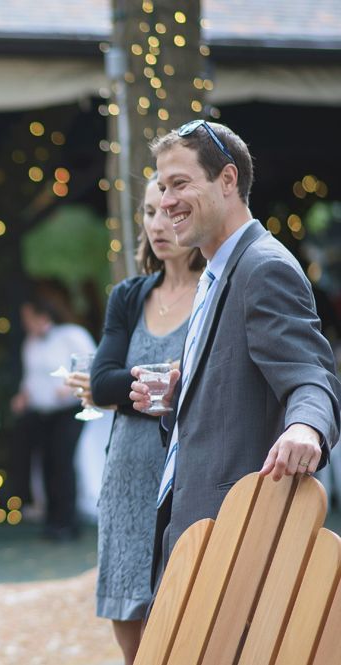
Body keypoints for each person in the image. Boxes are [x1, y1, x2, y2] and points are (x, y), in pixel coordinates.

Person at [129, 121, 341, 583]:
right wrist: (177, 395)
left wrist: (305, 428)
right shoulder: (216, 271)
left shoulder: (263, 268)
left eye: (180, 183)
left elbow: (310, 375)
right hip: (192, 526)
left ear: (227, 180)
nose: (166, 202)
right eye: (163, 187)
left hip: (236, 537)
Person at [73, 175, 203, 664]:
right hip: (127, 476)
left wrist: (142, 386)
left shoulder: (217, 293)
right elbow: (101, 381)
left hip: (189, 476)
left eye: (170, 212)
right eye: (149, 213)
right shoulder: (130, 295)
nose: (157, 224)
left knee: (190, 617)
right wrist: (161, 378)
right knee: (130, 625)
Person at [10, 287, 95, 541]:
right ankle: (52, 520)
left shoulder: (71, 335)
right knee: (45, 464)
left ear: (42, 315)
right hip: (42, 412)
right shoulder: (31, 343)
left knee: (63, 462)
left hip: (69, 409)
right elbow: (31, 378)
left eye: (29, 318)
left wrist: (70, 386)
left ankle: (68, 521)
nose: (26, 324)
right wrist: (23, 396)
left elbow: (91, 363)